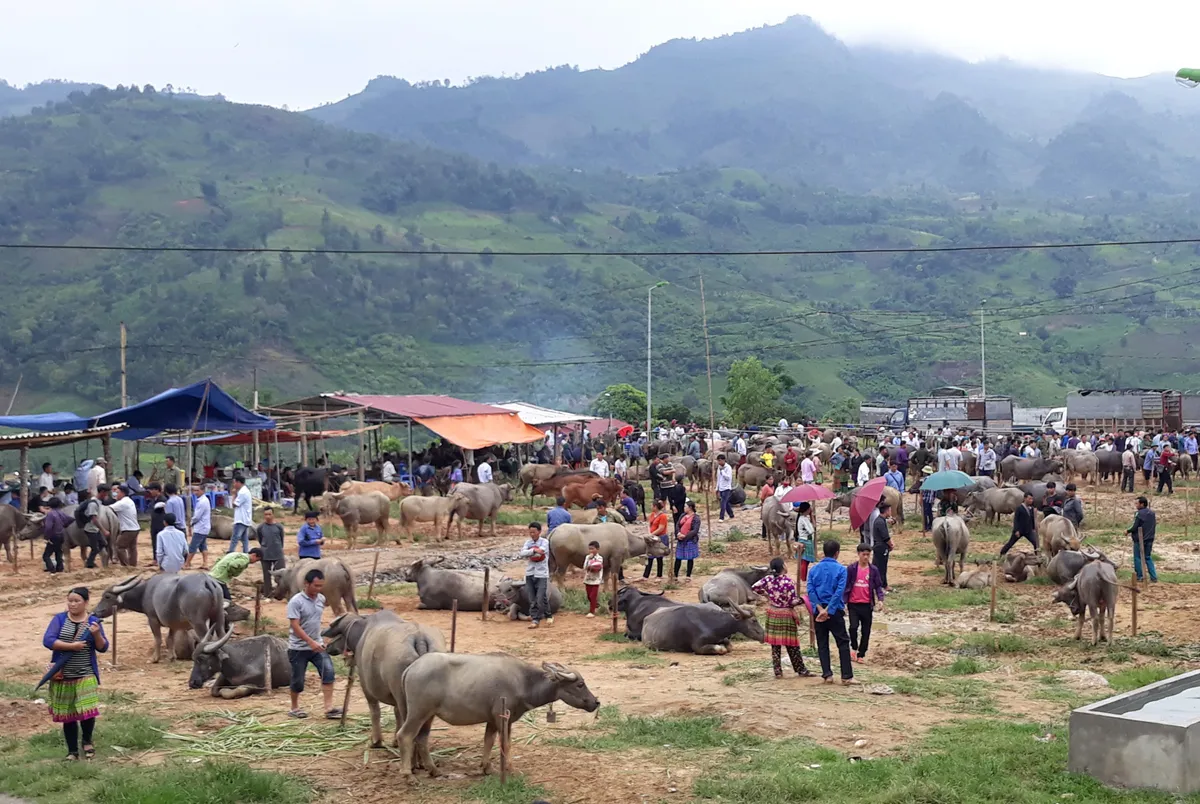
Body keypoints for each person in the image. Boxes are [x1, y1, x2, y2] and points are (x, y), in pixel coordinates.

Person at [42, 587, 109, 760]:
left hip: (85, 672)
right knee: (68, 715)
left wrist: (96, 635)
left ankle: (87, 741)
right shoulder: (59, 619)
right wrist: (71, 647)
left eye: (76, 601)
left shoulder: (94, 622)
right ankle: (72, 751)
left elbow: (103, 647)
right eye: (70, 600)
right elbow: (48, 640)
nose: (72, 604)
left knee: (87, 711)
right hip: (63, 675)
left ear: (86, 602)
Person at [286, 568, 339, 719]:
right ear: (306, 584)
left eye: (321, 586)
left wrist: (322, 639)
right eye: (315, 586)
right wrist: (310, 642)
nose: (318, 589)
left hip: (317, 646)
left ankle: (328, 708)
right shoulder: (296, 602)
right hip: (298, 648)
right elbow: (295, 626)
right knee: (298, 680)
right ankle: (294, 708)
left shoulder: (321, 599)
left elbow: (316, 621)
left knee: (328, 672)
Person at [751, 558, 812, 679]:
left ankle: (777, 671)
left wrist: (768, 595)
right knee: (792, 644)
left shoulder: (767, 579)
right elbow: (792, 601)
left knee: (775, 645)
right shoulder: (788, 582)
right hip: (786, 614)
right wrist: (803, 600)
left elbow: (754, 587)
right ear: (783, 567)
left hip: (773, 613)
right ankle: (801, 670)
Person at [807, 540, 856, 685]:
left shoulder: (814, 570)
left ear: (823, 552)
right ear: (837, 553)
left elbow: (810, 590)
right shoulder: (841, 570)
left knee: (822, 642)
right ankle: (846, 676)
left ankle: (827, 674)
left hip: (818, 612)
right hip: (835, 612)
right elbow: (839, 592)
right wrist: (829, 609)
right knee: (842, 642)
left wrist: (820, 609)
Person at [845, 543, 886, 663]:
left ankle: (861, 654)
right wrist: (843, 602)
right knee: (853, 627)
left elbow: (878, 586)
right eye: (864, 554)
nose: (866, 557)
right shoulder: (852, 569)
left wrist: (880, 600)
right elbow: (846, 586)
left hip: (867, 605)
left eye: (868, 555)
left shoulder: (873, 570)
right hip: (853, 604)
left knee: (866, 630)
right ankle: (853, 646)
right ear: (858, 554)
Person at [520, 523, 552, 629]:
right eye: (530, 532)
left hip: (541, 574)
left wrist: (531, 553)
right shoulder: (528, 542)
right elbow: (522, 553)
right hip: (530, 573)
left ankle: (536, 619)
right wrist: (533, 550)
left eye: (534, 532)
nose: (532, 534)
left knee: (539, 597)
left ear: (539, 532)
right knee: (533, 597)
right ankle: (545, 615)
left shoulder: (545, 542)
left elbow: (541, 552)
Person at [1127, 496, 1158, 583]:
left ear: (1142, 504)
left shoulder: (1138, 513)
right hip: (1150, 539)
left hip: (1139, 539)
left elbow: (1134, 526)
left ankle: (1140, 576)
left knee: (1137, 558)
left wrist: (1127, 531)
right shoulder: (1152, 513)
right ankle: (1153, 577)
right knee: (1147, 557)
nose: (1136, 505)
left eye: (1137, 503)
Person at [110, 485, 141, 567]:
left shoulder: (122, 503)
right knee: (132, 548)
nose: (116, 494)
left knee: (119, 547)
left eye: (117, 493)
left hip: (128, 529)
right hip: (135, 528)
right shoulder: (129, 501)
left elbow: (109, 509)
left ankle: (126, 566)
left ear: (123, 493)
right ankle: (133, 565)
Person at [257, 507, 286, 596]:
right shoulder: (260, 527)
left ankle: (281, 593)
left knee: (281, 574)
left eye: (269, 514)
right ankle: (267, 593)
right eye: (266, 514)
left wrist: (279, 548)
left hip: (278, 553)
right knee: (266, 575)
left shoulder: (279, 526)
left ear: (273, 515)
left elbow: (281, 539)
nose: (268, 516)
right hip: (265, 554)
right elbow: (260, 539)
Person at [184, 481, 212, 569]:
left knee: (193, 546)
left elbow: (197, 516)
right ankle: (205, 563)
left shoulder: (202, 502)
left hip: (201, 527)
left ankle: (187, 564)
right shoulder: (203, 500)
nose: (195, 492)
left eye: (197, 490)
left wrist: (191, 523)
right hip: (204, 527)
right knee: (203, 546)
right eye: (194, 490)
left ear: (203, 491)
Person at [41, 497, 71, 574]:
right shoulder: (61, 513)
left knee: (46, 556)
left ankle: (52, 569)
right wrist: (64, 525)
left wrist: (46, 537)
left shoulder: (50, 514)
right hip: (61, 535)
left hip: (54, 536)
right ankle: (60, 568)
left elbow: (48, 527)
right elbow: (70, 519)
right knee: (58, 552)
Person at [82, 486, 110, 569]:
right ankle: (89, 565)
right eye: (106, 493)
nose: (107, 495)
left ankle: (98, 563)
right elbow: (94, 519)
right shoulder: (93, 504)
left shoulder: (98, 502)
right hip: (91, 529)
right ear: (102, 492)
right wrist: (104, 530)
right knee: (95, 549)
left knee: (104, 544)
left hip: (95, 529)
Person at [673, 500, 701, 579]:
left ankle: (688, 575)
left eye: (685, 506)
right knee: (678, 557)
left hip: (690, 540)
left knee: (690, 558)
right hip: (680, 539)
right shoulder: (682, 515)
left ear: (690, 508)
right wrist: (678, 533)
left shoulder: (696, 518)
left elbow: (695, 530)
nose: (684, 508)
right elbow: (677, 525)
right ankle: (675, 575)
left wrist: (685, 536)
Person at [644, 499, 670, 580]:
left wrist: (651, 534)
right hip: (652, 537)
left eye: (652, 505)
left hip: (660, 537)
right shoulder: (652, 514)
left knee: (659, 556)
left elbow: (661, 528)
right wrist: (649, 533)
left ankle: (659, 575)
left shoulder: (663, 516)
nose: (651, 507)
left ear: (655, 506)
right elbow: (649, 524)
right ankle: (645, 575)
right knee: (650, 556)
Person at [229, 475, 253, 553]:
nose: (234, 485)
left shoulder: (243, 492)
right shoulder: (244, 491)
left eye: (234, 483)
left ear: (239, 482)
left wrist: (233, 495)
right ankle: (246, 553)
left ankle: (230, 553)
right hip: (245, 518)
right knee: (244, 539)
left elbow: (234, 504)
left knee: (235, 538)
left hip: (241, 519)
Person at [795, 502, 816, 582]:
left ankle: (802, 578)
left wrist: (811, 516)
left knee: (804, 561)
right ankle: (803, 579)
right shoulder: (803, 519)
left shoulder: (802, 518)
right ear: (807, 510)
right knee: (805, 561)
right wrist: (812, 517)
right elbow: (811, 530)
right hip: (805, 541)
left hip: (804, 540)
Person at [583, 541, 604, 618]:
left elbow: (597, 567)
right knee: (588, 595)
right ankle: (596, 605)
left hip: (596, 580)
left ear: (597, 549)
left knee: (593, 596)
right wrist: (589, 559)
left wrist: (591, 566)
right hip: (588, 579)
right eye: (589, 549)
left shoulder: (600, 558)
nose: (591, 551)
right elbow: (585, 567)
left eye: (592, 549)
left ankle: (592, 612)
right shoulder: (587, 557)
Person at [917, 467, 937, 535]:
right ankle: (930, 525)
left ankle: (925, 527)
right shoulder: (934, 479)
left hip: (925, 498)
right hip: (931, 499)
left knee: (924, 513)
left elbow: (923, 489)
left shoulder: (925, 479)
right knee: (930, 513)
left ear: (925, 473)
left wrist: (920, 497)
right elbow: (935, 490)